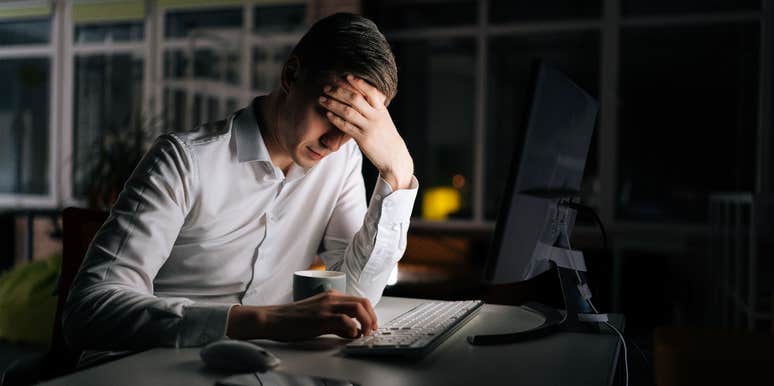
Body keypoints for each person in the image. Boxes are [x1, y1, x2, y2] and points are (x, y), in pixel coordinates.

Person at [62, 13, 417, 353]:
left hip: (259, 369)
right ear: (291, 75)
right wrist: (264, 321)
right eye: (333, 113)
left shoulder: (340, 163)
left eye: (356, 126)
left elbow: (356, 297)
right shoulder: (184, 160)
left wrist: (398, 170)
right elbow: (88, 311)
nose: (334, 142)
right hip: (147, 365)